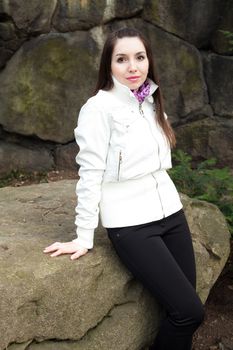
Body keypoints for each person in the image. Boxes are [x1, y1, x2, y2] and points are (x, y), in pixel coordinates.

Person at [44, 27, 205, 350]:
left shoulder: (149, 99)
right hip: (131, 224)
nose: (133, 67)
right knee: (189, 313)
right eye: (122, 59)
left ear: (148, 61)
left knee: (184, 310)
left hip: (171, 212)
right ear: (109, 65)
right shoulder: (98, 108)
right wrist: (84, 236)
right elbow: (90, 173)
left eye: (139, 57)